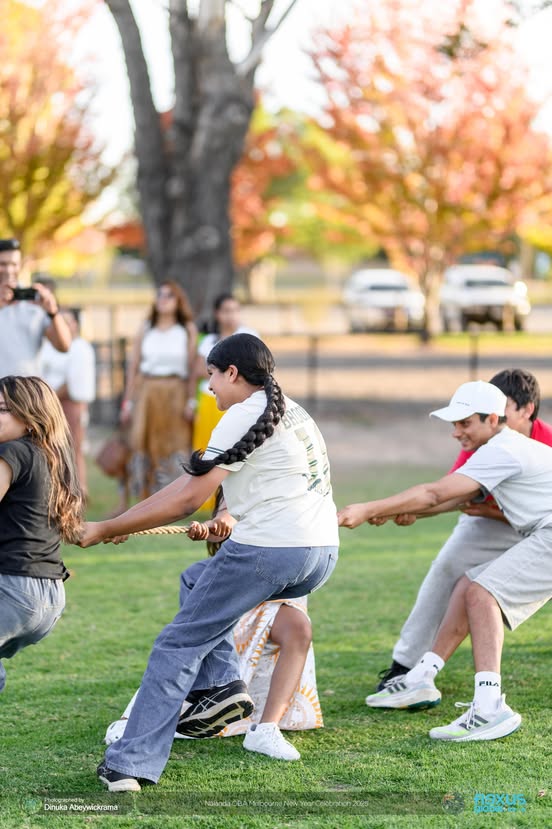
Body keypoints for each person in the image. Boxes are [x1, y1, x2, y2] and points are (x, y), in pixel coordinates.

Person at [79, 333, 339, 791]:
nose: (210, 386)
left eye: (212, 376)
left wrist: (107, 527)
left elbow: (187, 498)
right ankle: (221, 686)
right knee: (198, 579)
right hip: (320, 554)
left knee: (176, 646)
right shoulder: (292, 410)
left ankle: (129, 764)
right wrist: (126, 521)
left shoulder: (242, 414)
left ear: (233, 373)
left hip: (270, 551)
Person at [339, 380, 552, 741]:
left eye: (465, 423)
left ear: (492, 418)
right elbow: (453, 501)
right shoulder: (501, 447)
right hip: (541, 533)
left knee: (482, 593)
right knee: (468, 584)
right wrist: (399, 512)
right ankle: (422, 676)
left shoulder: (504, 450)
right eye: (454, 424)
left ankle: (489, 708)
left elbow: (434, 492)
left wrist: (368, 508)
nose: (456, 433)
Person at [103, 508, 322, 762]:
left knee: (299, 627)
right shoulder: (234, 476)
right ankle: (143, 717)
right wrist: (216, 525)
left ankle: (266, 729)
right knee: (194, 595)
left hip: (281, 574)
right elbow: (203, 504)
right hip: (244, 571)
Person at [0, 375, 83, 693]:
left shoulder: (13, 453)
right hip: (48, 599)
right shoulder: (51, 458)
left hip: (13, 589)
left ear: (31, 415)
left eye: (3, 409)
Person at [120, 281, 197, 501]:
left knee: (174, 440)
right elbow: (133, 367)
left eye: (169, 295)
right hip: (147, 390)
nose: (163, 299)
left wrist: (191, 401)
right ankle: (144, 493)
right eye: (160, 295)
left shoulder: (186, 329)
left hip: (175, 390)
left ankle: (174, 495)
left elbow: (192, 369)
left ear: (178, 301)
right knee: (142, 440)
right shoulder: (147, 328)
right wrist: (128, 402)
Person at [39, 308, 96, 500]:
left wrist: (47, 397)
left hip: (68, 403)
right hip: (48, 403)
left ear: (75, 325)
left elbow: (73, 381)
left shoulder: (80, 348)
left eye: (67, 321)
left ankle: (79, 490)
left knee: (73, 447)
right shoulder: (47, 347)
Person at [0, 239, 71, 376]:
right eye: (2, 264)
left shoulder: (34, 300)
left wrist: (53, 312)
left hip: (26, 392)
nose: (9, 270)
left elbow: (64, 346)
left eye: (14, 264)